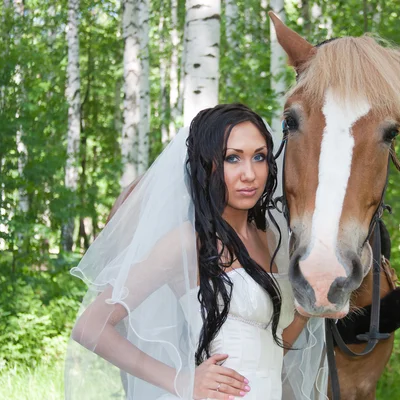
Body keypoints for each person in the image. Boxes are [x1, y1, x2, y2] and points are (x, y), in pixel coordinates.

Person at [64, 104, 327, 400]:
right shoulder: (189, 242)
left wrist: (304, 313)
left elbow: (270, 348)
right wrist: (181, 382)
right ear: (207, 165)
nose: (250, 174)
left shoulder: (270, 237)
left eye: (259, 157)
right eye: (232, 158)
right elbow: (90, 327)